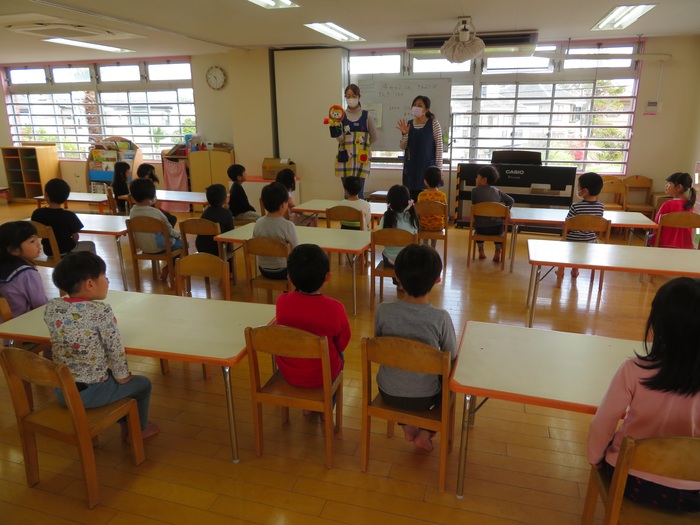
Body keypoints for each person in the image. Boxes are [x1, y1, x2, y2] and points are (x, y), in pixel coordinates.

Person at [586, 277, 700, 512]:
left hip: (631, 481)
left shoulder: (633, 370)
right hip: (693, 492)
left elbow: (602, 423)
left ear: (658, 322)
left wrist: (595, 458)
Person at [44, 252, 159, 441]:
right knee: (142, 384)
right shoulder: (100, 311)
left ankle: (126, 422)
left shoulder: (52, 307)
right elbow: (115, 349)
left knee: (110, 375)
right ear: (90, 284)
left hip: (62, 389)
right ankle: (139, 430)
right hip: (90, 392)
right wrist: (122, 376)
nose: (108, 281)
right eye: (104, 276)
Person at [374, 243, 457, 451]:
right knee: (449, 384)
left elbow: (379, 345)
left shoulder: (383, 311)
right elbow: (452, 356)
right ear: (437, 280)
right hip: (425, 399)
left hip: (387, 392)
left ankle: (407, 425)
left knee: (402, 370)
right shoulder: (440, 318)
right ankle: (426, 432)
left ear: (397, 278)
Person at [275, 244, 351, 396]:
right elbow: (342, 343)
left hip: (288, 371)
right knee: (340, 355)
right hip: (323, 374)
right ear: (327, 277)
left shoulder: (281, 301)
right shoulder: (335, 308)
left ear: (289, 277)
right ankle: (328, 404)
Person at [129, 178, 182, 282]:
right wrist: (178, 235)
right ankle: (169, 269)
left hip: (144, 247)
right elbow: (169, 230)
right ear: (151, 197)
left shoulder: (132, 212)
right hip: (160, 247)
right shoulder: (156, 213)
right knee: (183, 244)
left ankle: (168, 268)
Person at [333, 84, 378, 200]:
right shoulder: (341, 116)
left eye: (353, 95)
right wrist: (335, 129)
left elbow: (374, 137)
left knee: (360, 193)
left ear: (359, 97)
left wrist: (362, 146)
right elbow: (341, 139)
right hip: (345, 160)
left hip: (360, 160)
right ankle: (347, 212)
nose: (351, 98)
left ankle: (360, 212)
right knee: (347, 194)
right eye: (348, 96)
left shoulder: (366, 115)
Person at [31, 178, 96, 256]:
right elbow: (75, 237)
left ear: (46, 195)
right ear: (66, 198)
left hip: (48, 251)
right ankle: (89, 264)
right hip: (67, 250)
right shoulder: (69, 215)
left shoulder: (37, 213)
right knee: (90, 245)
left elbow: (34, 232)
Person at [397, 95, 443, 202]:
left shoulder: (434, 123)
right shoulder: (409, 124)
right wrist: (404, 134)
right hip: (412, 169)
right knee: (412, 202)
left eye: (419, 105)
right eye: (414, 105)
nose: (416, 107)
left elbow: (439, 148)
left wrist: (439, 170)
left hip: (428, 169)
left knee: (427, 203)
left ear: (426, 109)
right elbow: (403, 146)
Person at [252, 181, 299, 280]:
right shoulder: (288, 225)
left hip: (263, 269)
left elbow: (254, 244)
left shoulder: (258, 223)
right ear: (283, 205)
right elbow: (296, 250)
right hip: (283, 271)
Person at [0, 221, 47, 318]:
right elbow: (40, 305)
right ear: (14, 250)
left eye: (37, 240)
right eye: (32, 241)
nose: (38, 245)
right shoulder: (28, 274)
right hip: (23, 322)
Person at [563, 172, 605, 278]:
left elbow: (567, 224)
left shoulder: (576, 206)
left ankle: (562, 270)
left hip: (573, 240)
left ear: (584, 191)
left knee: (562, 243)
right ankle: (575, 270)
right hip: (591, 241)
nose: (577, 189)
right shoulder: (601, 207)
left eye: (579, 187)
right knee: (592, 239)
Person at [470, 165, 515, 262]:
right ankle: (497, 251)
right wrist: (505, 212)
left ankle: (481, 250)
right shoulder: (497, 191)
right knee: (500, 227)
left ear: (484, 180)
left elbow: (474, 207)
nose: (475, 179)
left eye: (477, 177)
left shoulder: (474, 191)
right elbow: (511, 200)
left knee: (478, 223)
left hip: (480, 228)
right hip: (496, 228)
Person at [379, 185, 419, 288]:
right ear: (407, 201)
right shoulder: (412, 218)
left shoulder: (385, 218)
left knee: (391, 253)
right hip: (408, 261)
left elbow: (381, 238)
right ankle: (404, 282)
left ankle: (398, 282)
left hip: (389, 261)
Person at [648, 172, 697, 249]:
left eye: (670, 183)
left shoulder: (668, 204)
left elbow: (656, 225)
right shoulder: (689, 206)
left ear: (679, 187)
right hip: (684, 246)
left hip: (664, 244)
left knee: (648, 237)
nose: (666, 185)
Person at [194, 184, 234, 256]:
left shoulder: (205, 213)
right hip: (218, 249)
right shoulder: (227, 213)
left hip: (201, 248)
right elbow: (231, 234)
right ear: (225, 200)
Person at [417, 166, 448, 246]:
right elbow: (445, 213)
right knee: (436, 222)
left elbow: (418, 212)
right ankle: (433, 246)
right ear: (439, 181)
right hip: (438, 226)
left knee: (425, 222)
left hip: (424, 226)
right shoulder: (442, 195)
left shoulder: (421, 195)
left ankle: (425, 245)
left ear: (425, 181)